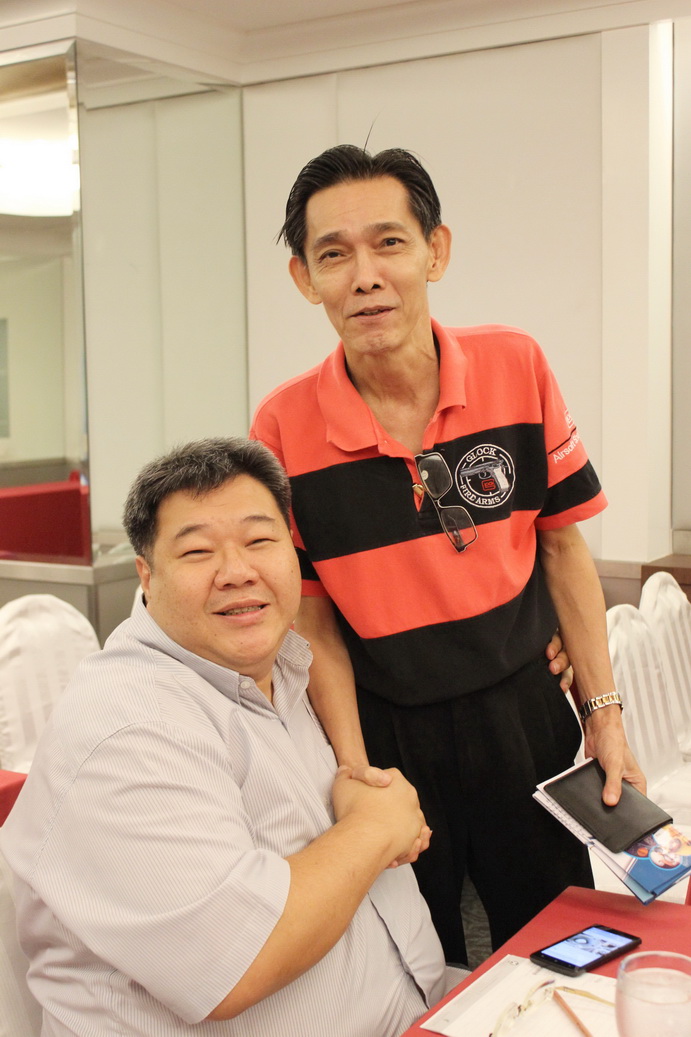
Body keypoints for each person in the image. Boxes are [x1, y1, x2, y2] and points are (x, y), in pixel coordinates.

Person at [249, 144, 645, 962]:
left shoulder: (514, 364)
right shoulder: (281, 426)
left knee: (556, 942)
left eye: (389, 243)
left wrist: (602, 714)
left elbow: (561, 546)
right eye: (334, 254)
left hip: (524, 709)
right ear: (304, 278)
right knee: (412, 957)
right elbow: (314, 621)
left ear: (435, 250)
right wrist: (355, 773)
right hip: (388, 729)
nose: (365, 276)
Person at [0, 437, 447, 1037]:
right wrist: (375, 826)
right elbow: (238, 961)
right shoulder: (130, 727)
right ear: (147, 576)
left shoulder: (283, 666)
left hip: (421, 1009)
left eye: (260, 541)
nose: (238, 572)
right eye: (197, 551)